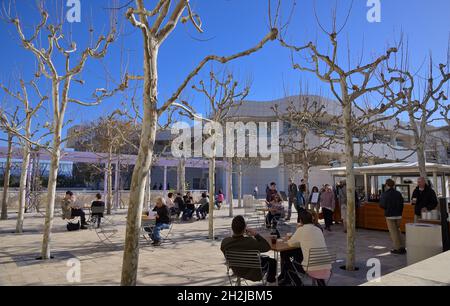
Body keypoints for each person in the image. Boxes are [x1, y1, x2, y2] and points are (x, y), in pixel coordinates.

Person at [221, 216, 277, 285]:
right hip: (254, 273)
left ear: (232, 228)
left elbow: (238, 245)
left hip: (237, 270)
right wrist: (256, 234)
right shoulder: (250, 241)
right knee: (272, 261)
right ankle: (271, 283)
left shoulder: (225, 242)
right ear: (244, 228)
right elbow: (267, 247)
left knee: (262, 258)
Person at [285, 210, 332, 286]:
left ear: (300, 220)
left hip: (311, 268)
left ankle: (299, 284)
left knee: (288, 265)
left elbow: (290, 244)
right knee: (314, 261)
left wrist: (289, 237)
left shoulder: (301, 230)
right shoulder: (318, 229)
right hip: (326, 267)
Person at [379, 179, 406, 255]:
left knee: (393, 232)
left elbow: (382, 205)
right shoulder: (398, 193)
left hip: (390, 215)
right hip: (398, 215)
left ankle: (397, 248)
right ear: (393, 185)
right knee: (398, 230)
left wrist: (387, 208)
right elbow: (402, 204)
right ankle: (403, 246)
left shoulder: (385, 194)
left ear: (387, 185)